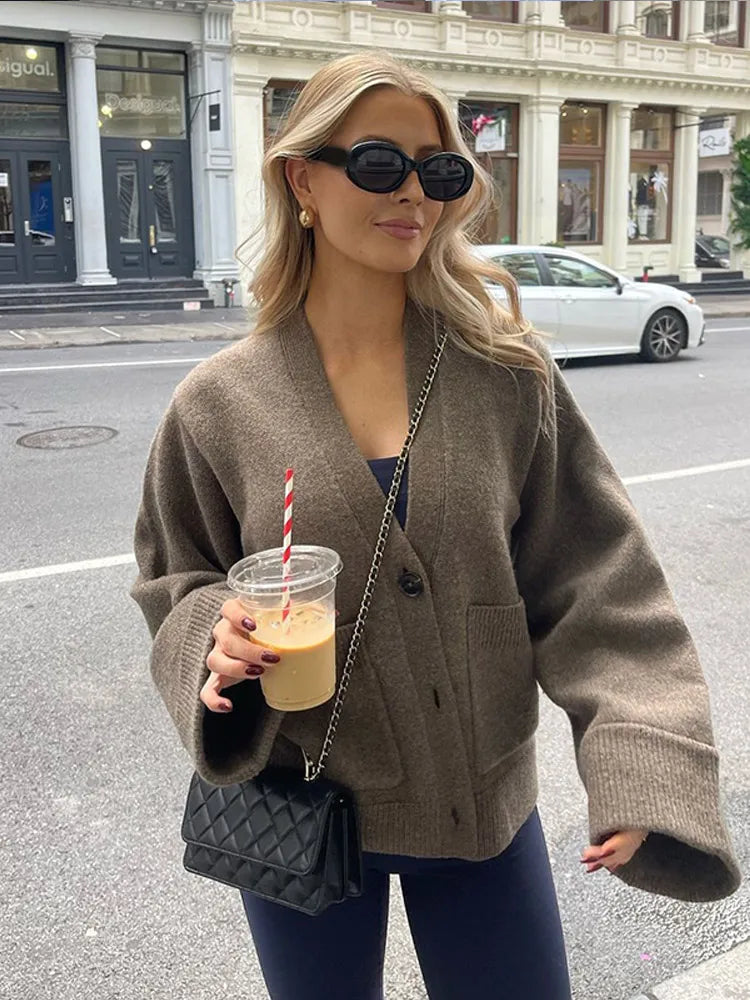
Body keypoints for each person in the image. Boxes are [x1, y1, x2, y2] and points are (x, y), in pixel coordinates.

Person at [130, 51, 740, 1000]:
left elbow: (599, 582)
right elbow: (176, 578)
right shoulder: (218, 404)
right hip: (299, 799)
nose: (414, 192)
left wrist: (641, 763)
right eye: (380, 163)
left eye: (440, 170)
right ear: (302, 180)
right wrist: (216, 637)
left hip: (478, 805)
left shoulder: (507, 375)